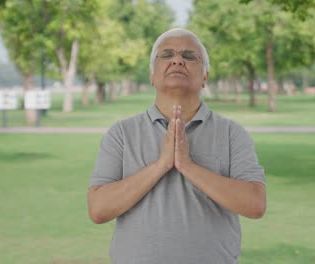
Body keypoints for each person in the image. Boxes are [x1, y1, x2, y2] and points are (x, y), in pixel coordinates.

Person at [88, 28, 266, 264]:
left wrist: (187, 165)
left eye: (189, 56)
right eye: (167, 54)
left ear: (205, 77)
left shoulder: (233, 134)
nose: (177, 60)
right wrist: (162, 164)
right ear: (152, 75)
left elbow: (255, 205)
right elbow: (98, 210)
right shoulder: (121, 134)